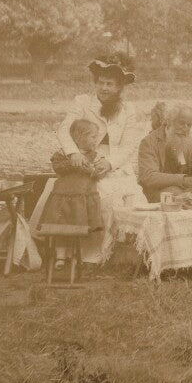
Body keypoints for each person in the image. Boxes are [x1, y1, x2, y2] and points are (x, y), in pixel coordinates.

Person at [42, 53, 147, 264]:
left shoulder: (128, 110)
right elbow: (64, 129)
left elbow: (128, 145)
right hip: (84, 159)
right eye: (100, 83)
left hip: (115, 163)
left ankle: (121, 255)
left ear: (119, 88)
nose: (104, 88)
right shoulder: (82, 102)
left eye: (110, 84)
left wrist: (110, 163)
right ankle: (87, 255)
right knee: (92, 193)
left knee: (130, 198)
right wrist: (74, 153)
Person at [138, 102, 192, 202]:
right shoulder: (149, 142)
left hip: (182, 191)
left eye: (189, 125)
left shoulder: (190, 142)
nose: (185, 128)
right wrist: (183, 180)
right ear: (170, 121)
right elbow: (148, 176)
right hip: (157, 193)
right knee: (177, 192)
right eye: (182, 123)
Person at [38, 120, 104, 233]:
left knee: (81, 229)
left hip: (84, 199)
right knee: (60, 229)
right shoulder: (64, 154)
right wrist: (73, 164)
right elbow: (57, 167)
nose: (96, 140)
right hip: (63, 198)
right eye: (93, 137)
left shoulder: (96, 156)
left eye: (97, 137)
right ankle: (61, 251)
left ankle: (77, 250)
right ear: (78, 138)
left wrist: (90, 170)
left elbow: (99, 173)